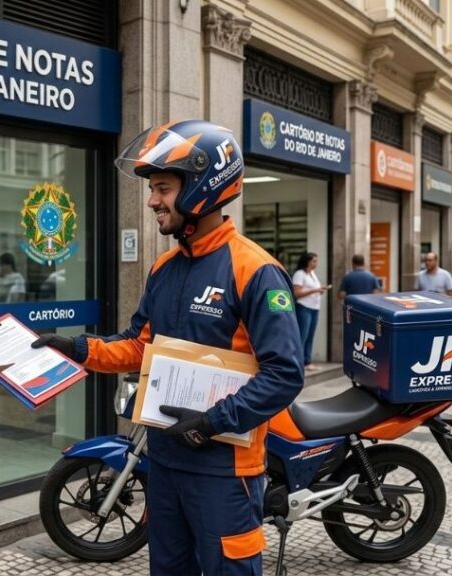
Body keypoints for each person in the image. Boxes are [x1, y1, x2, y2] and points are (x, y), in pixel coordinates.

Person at [32, 121, 304, 575]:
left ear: (203, 185)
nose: (153, 201)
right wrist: (78, 348)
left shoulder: (255, 270)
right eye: (153, 189)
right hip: (165, 461)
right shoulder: (165, 267)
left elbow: (284, 375)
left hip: (225, 470)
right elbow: (140, 346)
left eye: (162, 188)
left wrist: (214, 421)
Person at [292, 252, 329, 372]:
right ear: (307, 261)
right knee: (302, 335)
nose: (316, 264)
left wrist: (320, 290)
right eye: (314, 261)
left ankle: (307, 361)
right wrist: (315, 290)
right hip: (304, 307)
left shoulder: (312, 274)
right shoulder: (299, 274)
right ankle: (297, 362)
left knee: (310, 336)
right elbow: (296, 293)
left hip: (314, 308)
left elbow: (312, 289)